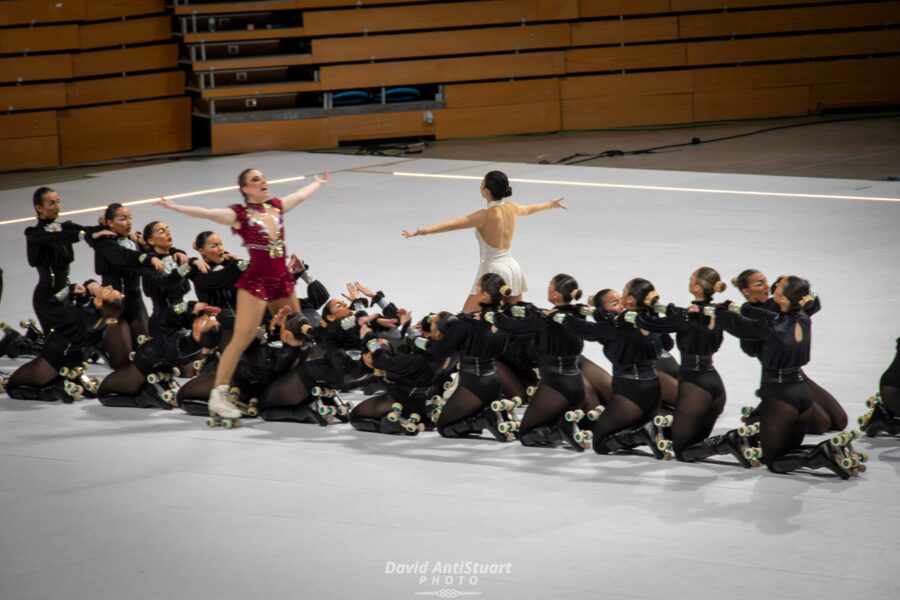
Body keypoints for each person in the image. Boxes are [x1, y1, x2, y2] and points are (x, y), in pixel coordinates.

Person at [154, 167, 328, 421]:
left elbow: (299, 196)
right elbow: (210, 214)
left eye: (263, 177)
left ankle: (299, 382)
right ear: (246, 188)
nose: (263, 181)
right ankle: (219, 394)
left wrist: (317, 183)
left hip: (281, 280)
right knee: (242, 337)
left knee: (297, 329)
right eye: (255, 179)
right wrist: (177, 208)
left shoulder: (276, 207)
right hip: (257, 281)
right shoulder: (241, 215)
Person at [717, 276, 864, 479]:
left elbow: (740, 327)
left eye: (779, 287)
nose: (774, 286)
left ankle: (819, 455)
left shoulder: (773, 326)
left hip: (779, 395)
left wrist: (720, 312)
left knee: (774, 462)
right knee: (787, 452)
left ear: (784, 300)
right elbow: (767, 314)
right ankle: (823, 452)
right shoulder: (803, 316)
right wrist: (741, 307)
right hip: (801, 391)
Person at [402, 170, 566, 312]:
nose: (480, 187)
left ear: (486, 191)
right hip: (512, 268)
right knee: (515, 317)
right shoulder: (511, 207)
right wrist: (551, 204)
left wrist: (423, 231)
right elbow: (530, 209)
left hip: (492, 271)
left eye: (482, 184)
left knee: (467, 318)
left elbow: (452, 225)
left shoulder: (484, 216)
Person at [732, 269, 847, 432]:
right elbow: (750, 346)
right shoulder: (752, 315)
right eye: (759, 284)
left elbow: (814, 302)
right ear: (746, 291)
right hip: (777, 382)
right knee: (822, 424)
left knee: (840, 421)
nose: (767, 286)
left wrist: (802, 284)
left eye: (766, 281)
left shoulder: (780, 302)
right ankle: (762, 415)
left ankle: (769, 410)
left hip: (798, 375)